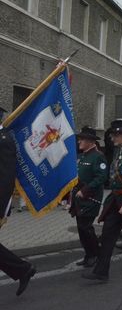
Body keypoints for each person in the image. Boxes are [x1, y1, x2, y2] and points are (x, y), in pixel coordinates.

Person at [83, 120, 122, 281]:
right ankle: (101, 271)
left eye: (115, 135)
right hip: (115, 199)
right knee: (108, 234)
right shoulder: (119, 150)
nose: (112, 138)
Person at [0, 106, 36, 296]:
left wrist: (2, 206)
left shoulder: (5, 140)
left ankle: (22, 269)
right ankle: (22, 269)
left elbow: (6, 177)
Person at [70, 126, 107, 268]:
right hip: (79, 198)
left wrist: (85, 191)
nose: (79, 141)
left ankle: (96, 254)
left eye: (82, 139)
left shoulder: (98, 157)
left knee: (86, 228)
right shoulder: (82, 156)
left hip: (90, 198)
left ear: (91, 141)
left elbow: (101, 178)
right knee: (81, 228)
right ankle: (88, 254)